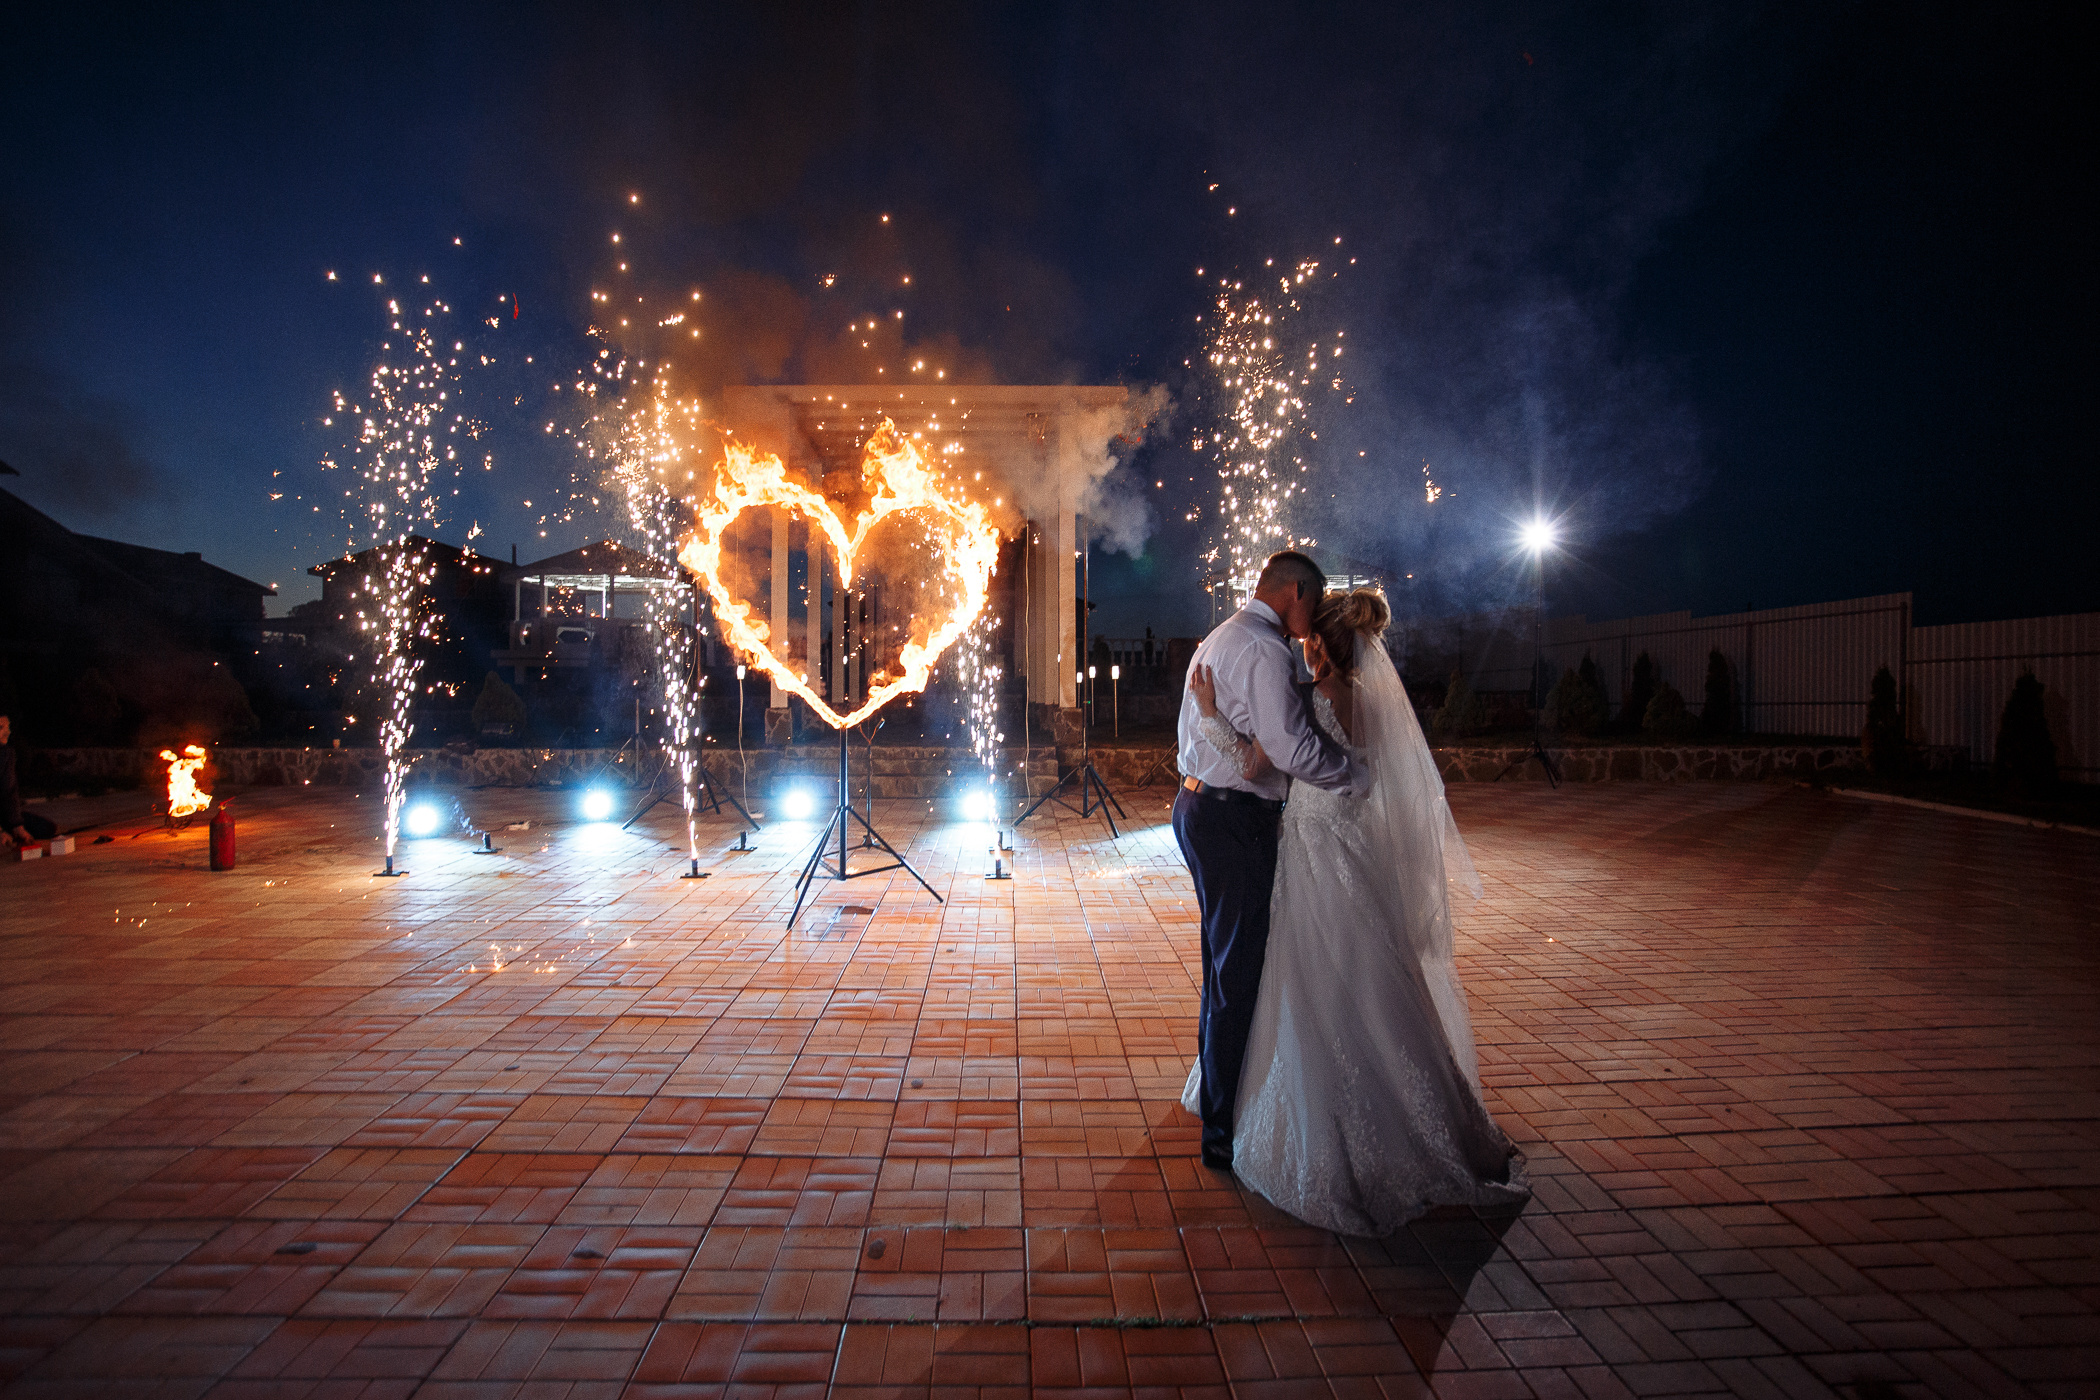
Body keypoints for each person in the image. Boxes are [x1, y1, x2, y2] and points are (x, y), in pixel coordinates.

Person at [1182, 587, 1527, 1235]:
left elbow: (1256, 764)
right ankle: (1422, 1112)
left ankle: (1322, 1121)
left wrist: (1209, 714)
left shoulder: (1311, 703)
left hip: (1313, 854)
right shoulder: (1370, 702)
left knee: (1309, 981)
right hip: (1358, 855)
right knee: (1376, 978)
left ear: (1316, 642)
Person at [1172, 551, 1363, 1171]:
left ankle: (1216, 1102)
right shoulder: (1263, 649)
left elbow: (1238, 742)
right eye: (1316, 597)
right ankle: (1222, 1130)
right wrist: (1352, 776)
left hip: (1199, 807)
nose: (1315, 613)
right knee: (1239, 973)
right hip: (1233, 821)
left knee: (1221, 964)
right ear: (1296, 591)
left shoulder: (1224, 636)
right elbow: (1288, 748)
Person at [0, 713, 59, 850]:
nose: (7, 732)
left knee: (46, 828)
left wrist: (17, 826)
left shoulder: (6, 754)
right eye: (1, 727)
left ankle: (10, 834)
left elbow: (10, 791)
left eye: (8, 727)